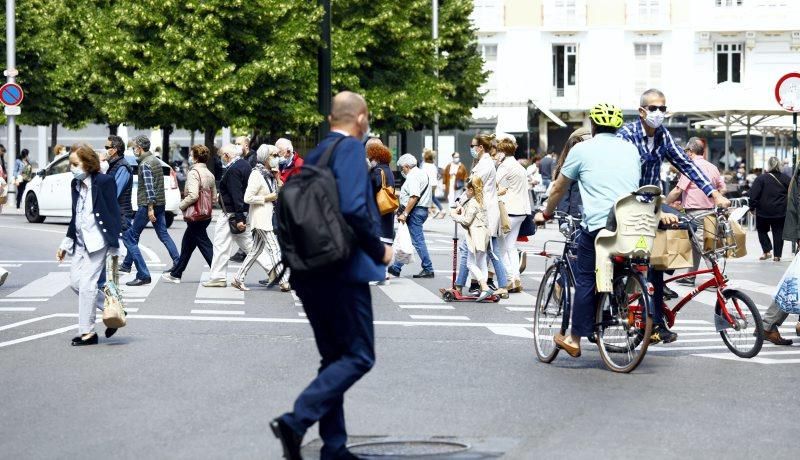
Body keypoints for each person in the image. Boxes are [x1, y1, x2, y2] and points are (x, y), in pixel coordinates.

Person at [270, 91, 393, 460]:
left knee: (333, 357)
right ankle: (296, 418)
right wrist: (380, 249)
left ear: (329, 120)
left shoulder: (318, 152)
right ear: (361, 118)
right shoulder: (354, 150)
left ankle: (334, 448)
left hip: (308, 269)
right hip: (342, 269)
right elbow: (355, 209)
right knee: (359, 355)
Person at [617, 88, 730, 344]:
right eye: (654, 108)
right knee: (632, 259)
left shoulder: (663, 135)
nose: (659, 113)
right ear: (642, 111)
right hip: (627, 201)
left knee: (661, 256)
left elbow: (686, 164)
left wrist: (714, 194)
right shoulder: (626, 135)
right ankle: (618, 300)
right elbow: (618, 174)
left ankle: (656, 319)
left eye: (663, 108)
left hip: (652, 200)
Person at [534, 103, 645, 357]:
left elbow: (560, 187)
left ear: (593, 126)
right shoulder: (631, 149)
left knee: (585, 278)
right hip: (631, 225)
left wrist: (547, 212)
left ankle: (574, 338)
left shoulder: (582, 149)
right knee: (616, 270)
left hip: (599, 226)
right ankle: (613, 312)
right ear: (617, 127)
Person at [56, 144, 122, 345]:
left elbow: (113, 213)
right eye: (71, 164)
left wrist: (115, 244)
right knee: (75, 282)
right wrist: (65, 245)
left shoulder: (104, 182)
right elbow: (75, 216)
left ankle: (88, 333)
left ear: (88, 163)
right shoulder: (74, 184)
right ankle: (114, 308)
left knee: (87, 285)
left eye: (75, 164)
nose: (72, 168)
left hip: (98, 242)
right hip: (80, 242)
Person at [203, 144, 272, 287]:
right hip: (239, 212)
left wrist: (239, 218)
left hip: (231, 214)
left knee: (221, 245)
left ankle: (218, 277)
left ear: (227, 155)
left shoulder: (233, 169)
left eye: (222, 155)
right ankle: (273, 269)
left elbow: (237, 195)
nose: (222, 158)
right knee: (250, 245)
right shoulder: (245, 165)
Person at [120, 135, 181, 286]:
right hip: (160, 203)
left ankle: (135, 270)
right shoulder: (155, 160)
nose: (133, 150)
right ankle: (178, 262)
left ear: (140, 148)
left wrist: (150, 208)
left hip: (147, 205)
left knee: (131, 236)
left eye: (134, 147)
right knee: (163, 234)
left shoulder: (145, 164)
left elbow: (149, 188)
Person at [665, 137, 726, 285]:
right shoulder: (713, 167)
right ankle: (690, 276)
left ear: (690, 151)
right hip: (711, 211)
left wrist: (664, 203)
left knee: (704, 247)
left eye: (686, 151)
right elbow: (722, 188)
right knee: (696, 245)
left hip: (696, 212)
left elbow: (678, 190)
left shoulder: (690, 167)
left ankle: (718, 279)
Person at [231, 145, 290, 292]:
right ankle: (284, 282)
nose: (277, 158)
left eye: (277, 155)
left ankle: (238, 278)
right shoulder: (257, 174)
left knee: (255, 251)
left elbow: (278, 194)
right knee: (274, 249)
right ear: (265, 158)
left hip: (267, 217)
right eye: (273, 155)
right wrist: (265, 198)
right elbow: (247, 197)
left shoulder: (270, 174)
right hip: (260, 218)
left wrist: (277, 178)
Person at [162, 145, 217, 283]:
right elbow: (214, 197)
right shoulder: (210, 173)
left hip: (195, 215)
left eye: (192, 155)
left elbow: (193, 195)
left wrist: (181, 206)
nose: (190, 157)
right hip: (205, 215)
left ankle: (217, 273)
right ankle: (176, 273)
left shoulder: (194, 173)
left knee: (204, 244)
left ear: (196, 157)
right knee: (187, 244)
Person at [388, 154, 434, 278]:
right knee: (409, 239)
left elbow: (414, 196)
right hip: (421, 210)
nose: (402, 170)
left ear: (407, 166)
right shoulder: (422, 173)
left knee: (418, 241)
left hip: (415, 212)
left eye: (402, 168)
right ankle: (396, 268)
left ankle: (428, 268)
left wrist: (405, 213)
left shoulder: (412, 176)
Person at [495, 135, 531, 293]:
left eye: (498, 151)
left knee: (501, 247)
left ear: (502, 152)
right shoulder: (520, 167)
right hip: (522, 211)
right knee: (510, 246)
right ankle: (516, 278)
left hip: (508, 210)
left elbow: (495, 185)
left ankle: (510, 279)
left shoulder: (504, 167)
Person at [451, 177, 492, 300]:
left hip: (476, 236)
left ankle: (484, 287)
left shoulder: (473, 202)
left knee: (470, 263)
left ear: (470, 190)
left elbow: (467, 221)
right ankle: (484, 289)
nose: (465, 193)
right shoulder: (481, 200)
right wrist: (463, 210)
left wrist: (453, 216)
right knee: (481, 262)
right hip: (484, 234)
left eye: (466, 190)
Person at [749, 157, 791, 262]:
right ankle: (777, 255)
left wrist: (752, 207)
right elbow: (791, 193)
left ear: (768, 165)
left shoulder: (761, 179)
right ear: (779, 165)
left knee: (762, 230)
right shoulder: (786, 179)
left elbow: (754, 194)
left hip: (763, 211)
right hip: (780, 211)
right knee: (778, 232)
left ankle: (767, 251)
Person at [553, 128, 590, 219]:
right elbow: (562, 197)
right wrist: (563, 221)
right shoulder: (568, 168)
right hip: (575, 218)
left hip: (586, 216)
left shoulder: (588, 165)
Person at [103, 135, 134, 233]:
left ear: (114, 150)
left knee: (129, 244)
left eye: (107, 148)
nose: (105, 150)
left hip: (122, 214)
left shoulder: (122, 167)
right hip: (116, 213)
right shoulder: (112, 165)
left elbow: (114, 192)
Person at [367, 142, 396, 246]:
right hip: (387, 222)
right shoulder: (388, 170)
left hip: (378, 224)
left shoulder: (377, 172)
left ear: (376, 158)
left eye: (370, 158)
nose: (370, 160)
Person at [421, 149, 445, 219]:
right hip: (434, 184)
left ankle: (431, 212)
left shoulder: (424, 165)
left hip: (428, 184)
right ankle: (440, 210)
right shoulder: (433, 165)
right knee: (432, 198)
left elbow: (422, 176)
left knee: (425, 198)